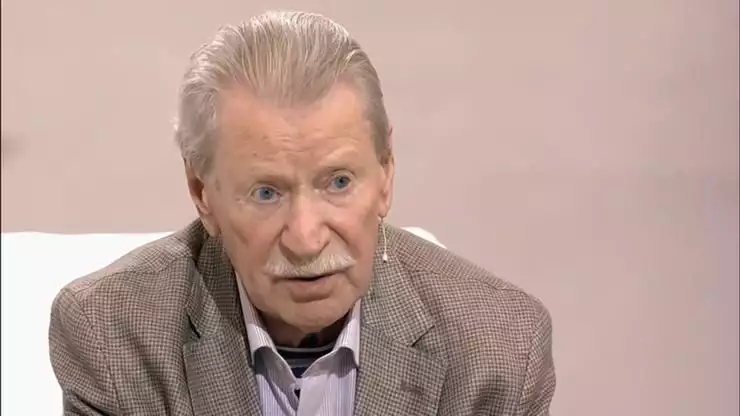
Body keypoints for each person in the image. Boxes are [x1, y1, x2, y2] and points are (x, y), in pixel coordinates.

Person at [49, 10, 555, 415]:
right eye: (266, 193)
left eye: (339, 183)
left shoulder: (500, 349)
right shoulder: (112, 335)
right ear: (202, 193)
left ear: (385, 174)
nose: (307, 239)